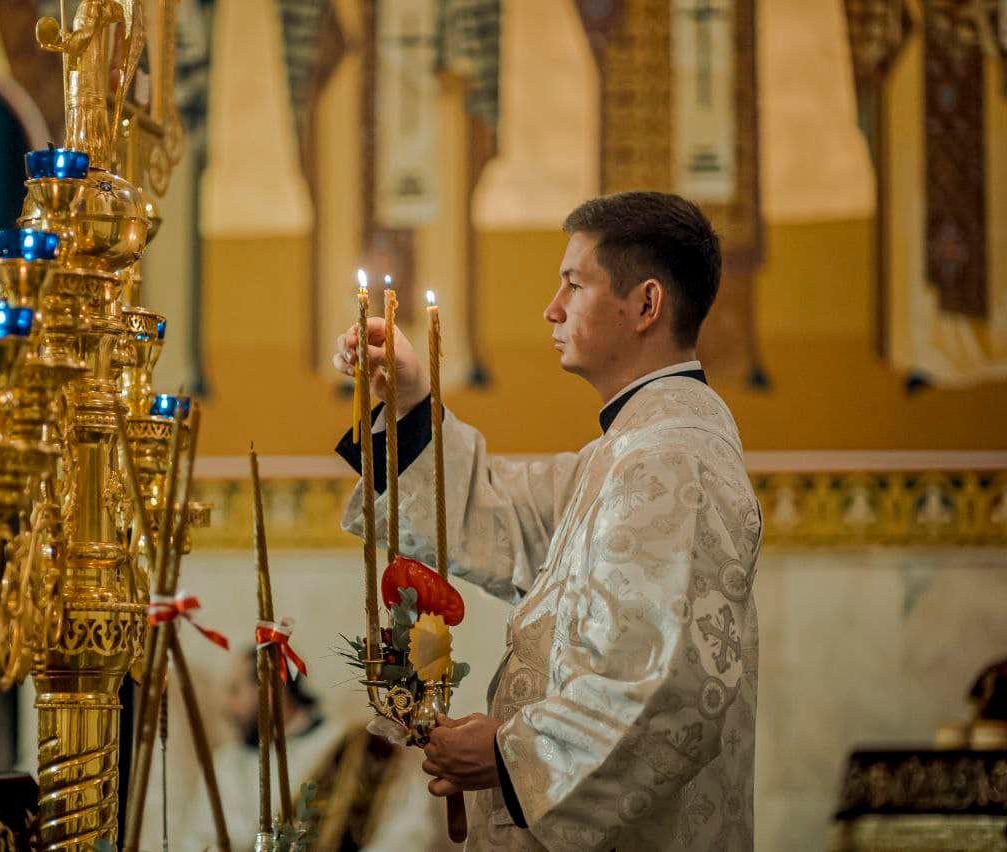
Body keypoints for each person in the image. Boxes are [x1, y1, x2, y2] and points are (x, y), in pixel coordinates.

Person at [332, 192, 761, 850]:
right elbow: (502, 515)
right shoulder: (629, 451)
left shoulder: (674, 461)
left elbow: (669, 691)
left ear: (647, 305)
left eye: (574, 284)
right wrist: (412, 400)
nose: (552, 308)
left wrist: (509, 757)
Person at [180, 648, 451, 851]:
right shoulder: (227, 764)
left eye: (235, 691)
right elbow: (197, 841)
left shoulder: (358, 748)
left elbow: (408, 832)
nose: (227, 707)